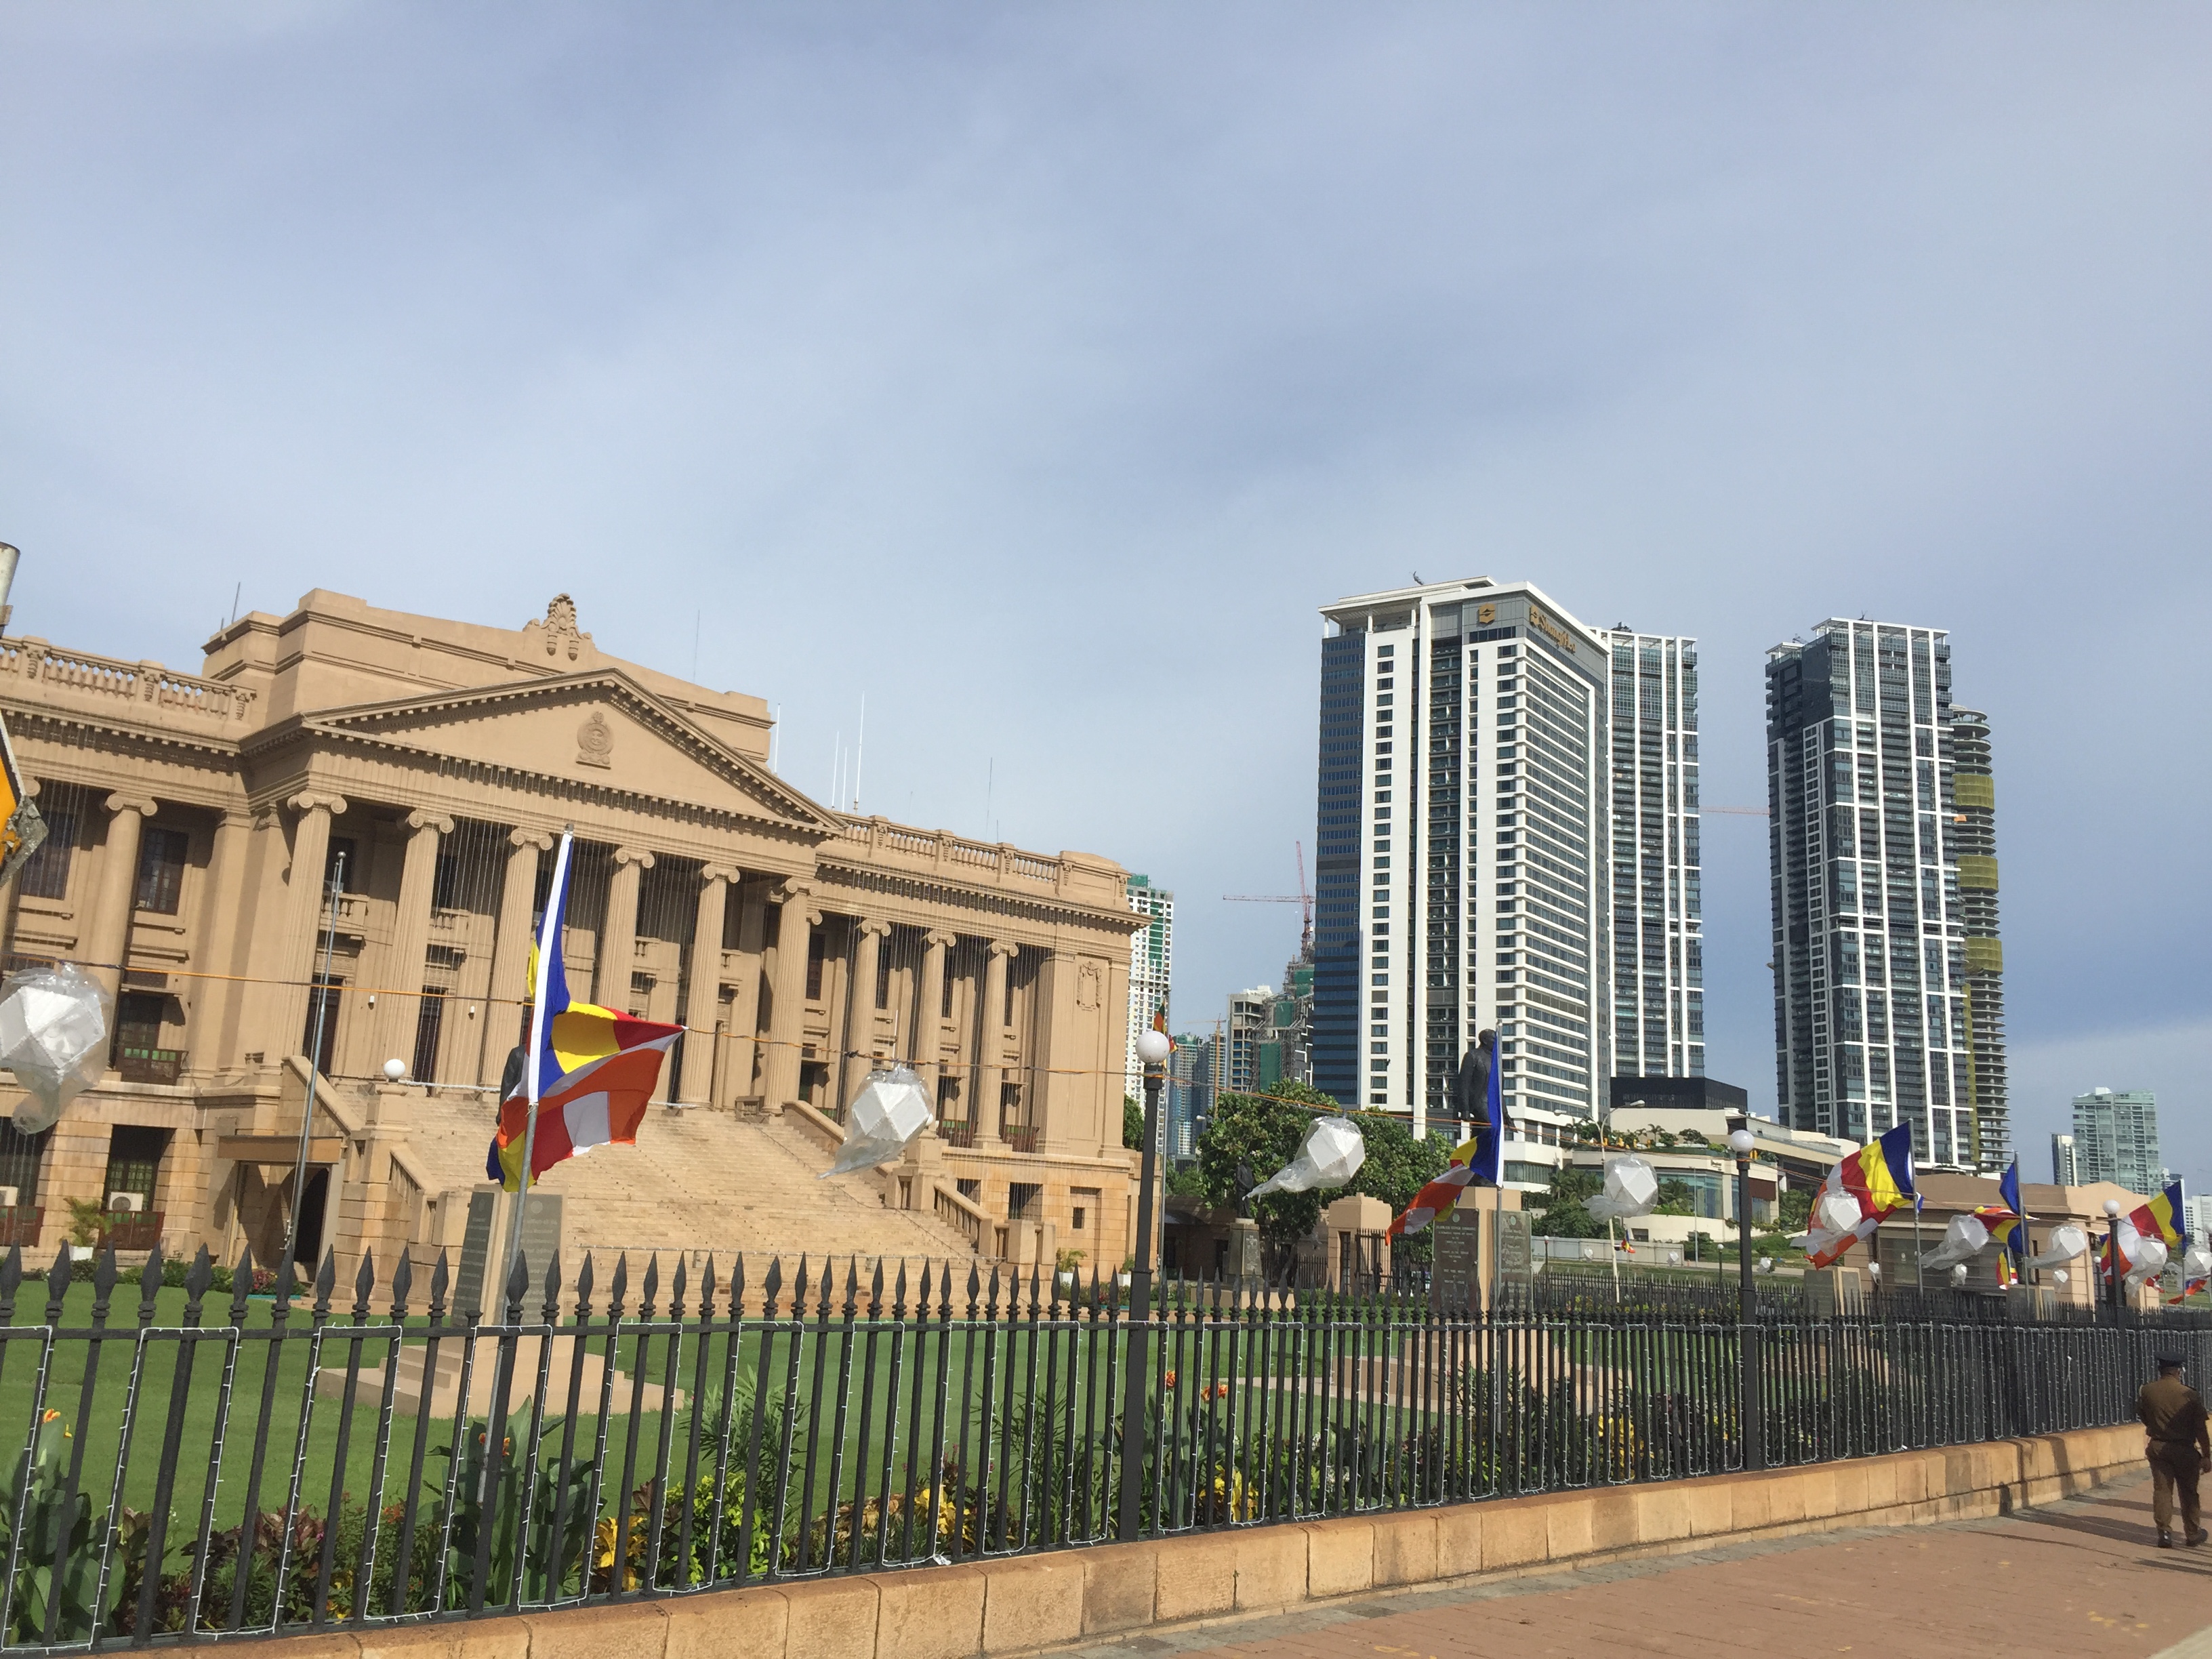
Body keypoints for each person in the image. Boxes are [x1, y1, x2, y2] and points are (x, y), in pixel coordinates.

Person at [2136, 1353, 2211, 1548]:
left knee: (2162, 1491)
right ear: (2179, 1371)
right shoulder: (2190, 1395)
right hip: (2185, 1449)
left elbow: (2144, 1416)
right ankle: (2192, 1534)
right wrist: (2207, 1455)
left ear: (2161, 1370)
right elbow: (2200, 1429)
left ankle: (2165, 1534)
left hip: (2158, 1446)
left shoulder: (2147, 1391)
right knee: (2188, 1492)